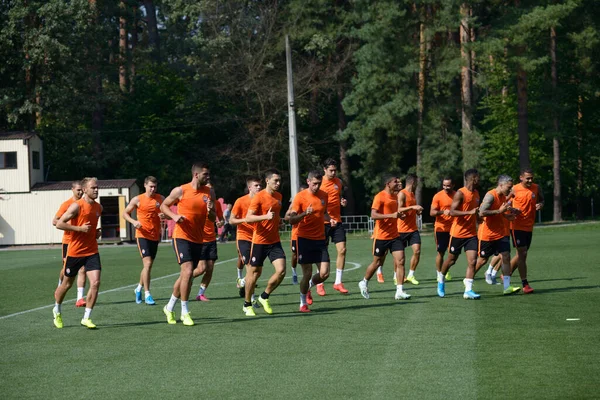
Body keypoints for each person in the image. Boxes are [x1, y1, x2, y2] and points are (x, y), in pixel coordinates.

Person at [160, 162, 216, 326]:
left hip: (198, 239)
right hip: (181, 236)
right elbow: (164, 206)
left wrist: (211, 210)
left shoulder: (209, 192)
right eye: (205, 174)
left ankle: (169, 307)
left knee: (187, 276)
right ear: (196, 175)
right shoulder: (181, 190)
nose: (208, 177)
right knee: (188, 270)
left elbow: (212, 219)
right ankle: (185, 311)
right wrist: (174, 216)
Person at [53, 177, 103, 329]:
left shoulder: (98, 208)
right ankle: (57, 309)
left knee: (95, 283)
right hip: (75, 251)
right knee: (67, 284)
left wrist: (95, 233)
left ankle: (86, 317)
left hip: (92, 251)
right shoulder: (76, 206)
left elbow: (92, 227)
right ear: (85, 189)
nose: (96, 190)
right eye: (93, 187)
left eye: (97, 187)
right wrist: (79, 229)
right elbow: (59, 223)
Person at [485, 169, 544, 293]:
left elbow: (541, 200)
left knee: (522, 254)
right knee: (521, 253)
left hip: (529, 226)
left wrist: (540, 204)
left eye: (531, 178)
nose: (530, 180)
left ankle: (507, 272)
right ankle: (525, 284)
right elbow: (504, 202)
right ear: (521, 178)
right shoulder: (514, 189)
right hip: (516, 225)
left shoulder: (536, 188)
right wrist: (511, 209)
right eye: (527, 178)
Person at [358, 175, 411, 300]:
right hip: (381, 236)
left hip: (395, 236)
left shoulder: (396, 196)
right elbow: (373, 215)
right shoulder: (379, 196)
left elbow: (395, 214)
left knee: (401, 261)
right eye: (395, 181)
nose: (398, 183)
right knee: (377, 263)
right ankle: (364, 282)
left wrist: (399, 216)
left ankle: (399, 291)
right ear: (388, 183)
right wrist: (391, 215)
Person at [242, 169, 286, 316]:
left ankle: (264, 296)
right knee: (253, 274)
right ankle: (247, 304)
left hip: (274, 241)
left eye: (279, 181)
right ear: (267, 181)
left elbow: (275, 216)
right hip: (259, 241)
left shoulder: (279, 197)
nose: (278, 183)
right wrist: (265, 217)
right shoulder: (259, 197)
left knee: (281, 271)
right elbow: (248, 218)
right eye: (276, 181)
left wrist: (279, 222)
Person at [288, 170, 333, 312]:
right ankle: (302, 303)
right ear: (308, 182)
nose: (317, 186)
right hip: (304, 239)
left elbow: (323, 212)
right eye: (314, 184)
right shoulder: (300, 197)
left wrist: (329, 219)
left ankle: (308, 287)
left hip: (320, 239)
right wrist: (303, 214)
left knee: (325, 273)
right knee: (307, 272)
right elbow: (291, 220)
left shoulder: (324, 195)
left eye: (319, 184)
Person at [473, 175, 521, 295]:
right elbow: (481, 212)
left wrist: (508, 214)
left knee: (506, 256)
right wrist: (499, 212)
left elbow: (501, 211)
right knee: (482, 260)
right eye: (509, 188)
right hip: (487, 234)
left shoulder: (503, 196)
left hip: (500, 233)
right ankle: (468, 280)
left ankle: (507, 287)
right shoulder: (490, 195)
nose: (510, 191)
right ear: (501, 185)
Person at [437, 169, 481, 299]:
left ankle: (468, 290)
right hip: (457, 234)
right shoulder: (460, 193)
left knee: (472, 261)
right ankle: (441, 279)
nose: (479, 180)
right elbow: (452, 212)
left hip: (471, 234)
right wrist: (469, 213)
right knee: (451, 260)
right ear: (472, 178)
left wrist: (478, 218)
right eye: (477, 177)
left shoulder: (477, 193)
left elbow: (475, 212)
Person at [122, 176, 165, 306]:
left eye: (155, 187)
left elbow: (167, 212)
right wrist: (134, 222)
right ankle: (148, 294)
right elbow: (125, 213)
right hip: (142, 235)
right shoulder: (138, 199)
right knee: (147, 263)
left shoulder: (160, 199)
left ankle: (138, 289)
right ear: (145, 186)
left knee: (148, 265)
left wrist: (165, 215)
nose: (153, 189)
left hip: (154, 236)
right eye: (150, 186)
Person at [52, 180, 87, 308]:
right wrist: (71, 227)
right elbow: (55, 221)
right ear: (72, 190)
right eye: (77, 190)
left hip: (82, 242)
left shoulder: (85, 204)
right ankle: (60, 284)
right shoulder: (66, 204)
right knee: (66, 269)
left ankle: (79, 298)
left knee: (83, 269)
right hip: (69, 242)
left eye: (81, 190)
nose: (80, 192)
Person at [319, 158, 349, 295]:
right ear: (324, 170)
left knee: (342, 250)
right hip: (323, 222)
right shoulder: (319, 183)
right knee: (322, 253)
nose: (333, 173)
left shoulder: (338, 182)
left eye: (335, 170)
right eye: (330, 170)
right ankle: (319, 282)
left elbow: (337, 197)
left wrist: (342, 201)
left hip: (337, 221)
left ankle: (338, 282)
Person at [230, 177, 262, 297]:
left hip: (257, 238)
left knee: (258, 271)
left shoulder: (263, 200)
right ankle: (251, 300)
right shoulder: (240, 201)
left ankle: (243, 282)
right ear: (249, 188)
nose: (259, 187)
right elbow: (231, 220)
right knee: (250, 267)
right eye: (256, 185)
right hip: (244, 237)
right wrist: (245, 220)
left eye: (260, 185)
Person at [195, 185, 224, 301]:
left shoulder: (216, 204)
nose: (210, 191)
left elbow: (221, 219)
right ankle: (185, 279)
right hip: (200, 239)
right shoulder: (198, 201)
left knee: (210, 268)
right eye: (208, 189)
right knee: (201, 268)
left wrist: (220, 223)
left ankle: (200, 294)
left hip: (211, 239)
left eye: (212, 189)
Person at [397, 173, 424, 285]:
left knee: (417, 251)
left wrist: (417, 211)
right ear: (413, 182)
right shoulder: (402, 194)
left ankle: (411, 275)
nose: (418, 184)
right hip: (401, 230)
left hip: (413, 229)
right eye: (417, 182)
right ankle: (396, 276)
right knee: (399, 255)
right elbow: (399, 209)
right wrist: (413, 207)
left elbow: (411, 210)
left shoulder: (412, 194)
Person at [430, 177, 455, 282]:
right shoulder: (438, 196)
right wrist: (442, 212)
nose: (446, 187)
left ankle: (445, 269)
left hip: (454, 228)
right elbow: (431, 213)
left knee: (452, 253)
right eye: (444, 185)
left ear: (453, 185)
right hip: (441, 229)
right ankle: (439, 273)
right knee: (441, 252)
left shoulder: (457, 195)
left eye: (448, 185)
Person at [284, 182, 309, 287]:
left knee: (307, 256)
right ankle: (294, 272)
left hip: (308, 233)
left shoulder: (310, 201)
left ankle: (307, 276)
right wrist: (294, 216)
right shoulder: (295, 203)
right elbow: (286, 217)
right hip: (296, 234)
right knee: (295, 255)